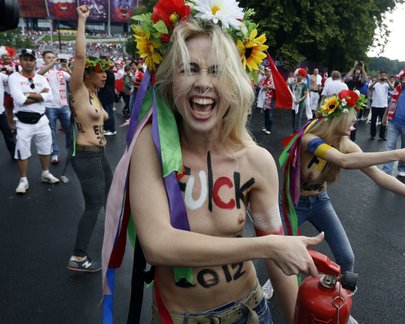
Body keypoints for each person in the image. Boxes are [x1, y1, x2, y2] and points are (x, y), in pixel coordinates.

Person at [101, 2, 323, 323]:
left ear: (234, 82)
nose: (203, 82)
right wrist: (266, 247)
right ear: (169, 81)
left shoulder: (256, 161)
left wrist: (294, 316)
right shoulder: (149, 149)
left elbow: (279, 264)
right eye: (189, 68)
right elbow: (158, 245)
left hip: (250, 311)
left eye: (216, 70)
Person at [281, 89, 405, 273]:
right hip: (293, 203)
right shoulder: (309, 139)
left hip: (320, 202)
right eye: (352, 121)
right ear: (339, 119)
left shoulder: (347, 145)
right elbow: (343, 161)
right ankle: (275, 282)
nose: (354, 126)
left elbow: (379, 176)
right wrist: (397, 154)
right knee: (280, 253)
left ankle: (342, 294)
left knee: (347, 259)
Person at [66, 5, 112, 272]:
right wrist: (81, 20)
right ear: (87, 74)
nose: (104, 74)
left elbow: (102, 119)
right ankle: (78, 256)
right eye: (99, 70)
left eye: (105, 70)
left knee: (111, 193)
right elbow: (80, 56)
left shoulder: (95, 94)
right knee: (94, 204)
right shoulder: (80, 90)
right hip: (86, 156)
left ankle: (112, 234)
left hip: (100, 155)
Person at [8, 48, 60, 194]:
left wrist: (29, 95)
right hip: (23, 121)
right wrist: (39, 95)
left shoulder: (41, 78)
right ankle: (23, 179)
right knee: (22, 152)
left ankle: (45, 173)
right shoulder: (14, 77)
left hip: (41, 119)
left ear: (35, 62)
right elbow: (19, 100)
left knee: (45, 147)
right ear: (20, 60)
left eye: (31, 59)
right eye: (25, 59)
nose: (28, 62)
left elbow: (50, 96)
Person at [37, 50, 72, 164]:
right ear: (44, 59)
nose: (51, 59)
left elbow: (75, 80)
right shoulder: (41, 73)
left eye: (53, 57)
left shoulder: (61, 73)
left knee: (69, 130)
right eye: (48, 58)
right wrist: (52, 64)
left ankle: (71, 151)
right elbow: (38, 74)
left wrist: (68, 69)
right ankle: (54, 154)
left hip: (63, 105)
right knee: (51, 132)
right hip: (49, 106)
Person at [368, 71, 391, 141]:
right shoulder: (376, 84)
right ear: (379, 76)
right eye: (382, 75)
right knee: (373, 121)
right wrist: (376, 81)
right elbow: (369, 88)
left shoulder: (387, 85)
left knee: (383, 121)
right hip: (375, 105)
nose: (383, 76)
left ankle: (382, 136)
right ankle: (372, 134)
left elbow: (393, 89)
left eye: (384, 75)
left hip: (384, 105)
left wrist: (388, 81)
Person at [291, 68, 309, 132]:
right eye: (298, 75)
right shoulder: (293, 83)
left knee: (298, 119)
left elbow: (306, 94)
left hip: (300, 104)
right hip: (293, 103)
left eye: (301, 75)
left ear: (303, 76)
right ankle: (293, 132)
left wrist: (300, 100)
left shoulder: (304, 85)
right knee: (293, 118)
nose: (299, 76)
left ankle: (296, 134)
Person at [259, 67, 275, 134]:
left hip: (271, 98)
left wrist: (267, 86)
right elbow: (259, 84)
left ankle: (269, 128)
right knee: (265, 113)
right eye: (265, 72)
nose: (266, 73)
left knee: (269, 114)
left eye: (267, 71)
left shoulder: (273, 79)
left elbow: (275, 86)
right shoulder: (265, 78)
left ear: (270, 72)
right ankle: (265, 127)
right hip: (265, 98)